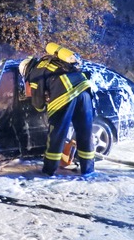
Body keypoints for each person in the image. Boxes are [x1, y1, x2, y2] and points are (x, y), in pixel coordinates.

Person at [19, 47, 96, 177]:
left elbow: (38, 104)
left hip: (65, 95)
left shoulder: (35, 74)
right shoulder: (50, 62)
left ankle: (49, 170)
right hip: (84, 89)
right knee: (85, 132)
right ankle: (88, 170)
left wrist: (39, 101)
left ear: (26, 71)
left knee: (56, 134)